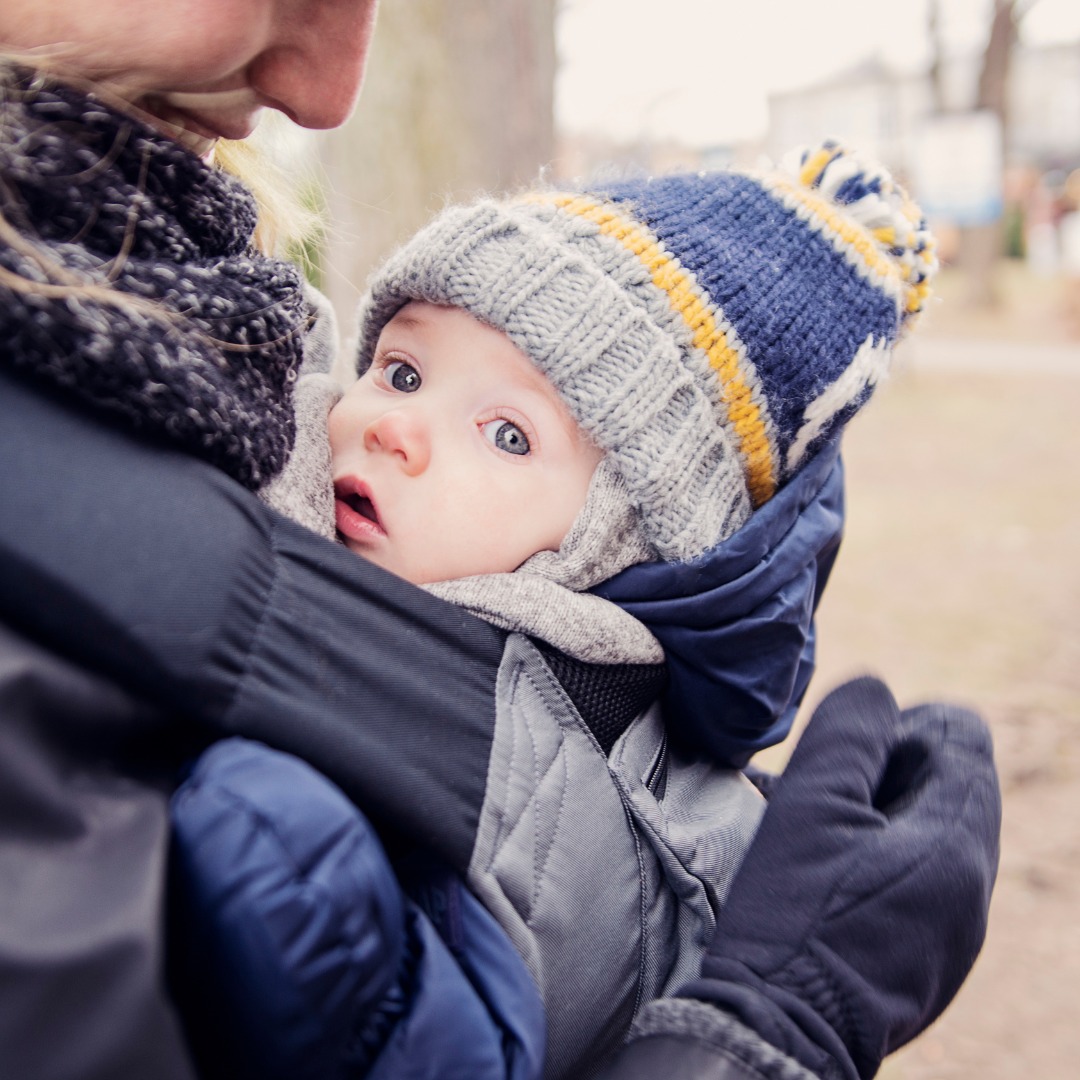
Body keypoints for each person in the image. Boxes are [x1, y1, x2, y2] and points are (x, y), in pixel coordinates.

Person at [0, 2, 999, 1078]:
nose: (390, 421)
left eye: (510, 434)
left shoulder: (624, 756)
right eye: (400, 370)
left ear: (612, 554)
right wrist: (761, 1041)